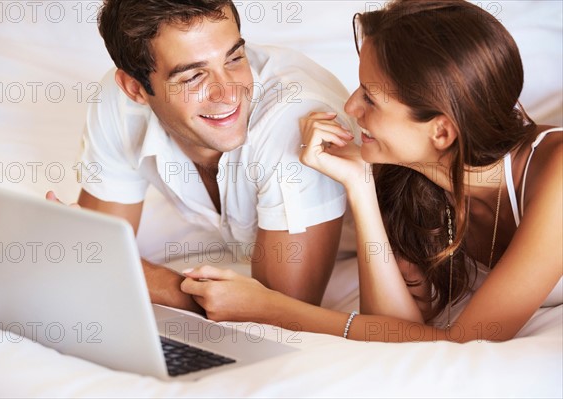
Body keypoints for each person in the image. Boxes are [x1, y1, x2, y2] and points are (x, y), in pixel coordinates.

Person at [181, 0, 562, 342]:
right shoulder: (412, 180)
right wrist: (360, 187)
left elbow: (466, 343)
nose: (350, 105)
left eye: (370, 97)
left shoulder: (557, 176)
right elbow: (394, 328)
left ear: (441, 131)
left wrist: (269, 308)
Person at [48, 0, 357, 314]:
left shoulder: (295, 120)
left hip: (355, 264)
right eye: (193, 76)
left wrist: (156, 282)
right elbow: (98, 258)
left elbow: (278, 309)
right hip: (246, 249)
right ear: (135, 88)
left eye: (234, 57)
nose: (227, 92)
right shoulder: (119, 105)